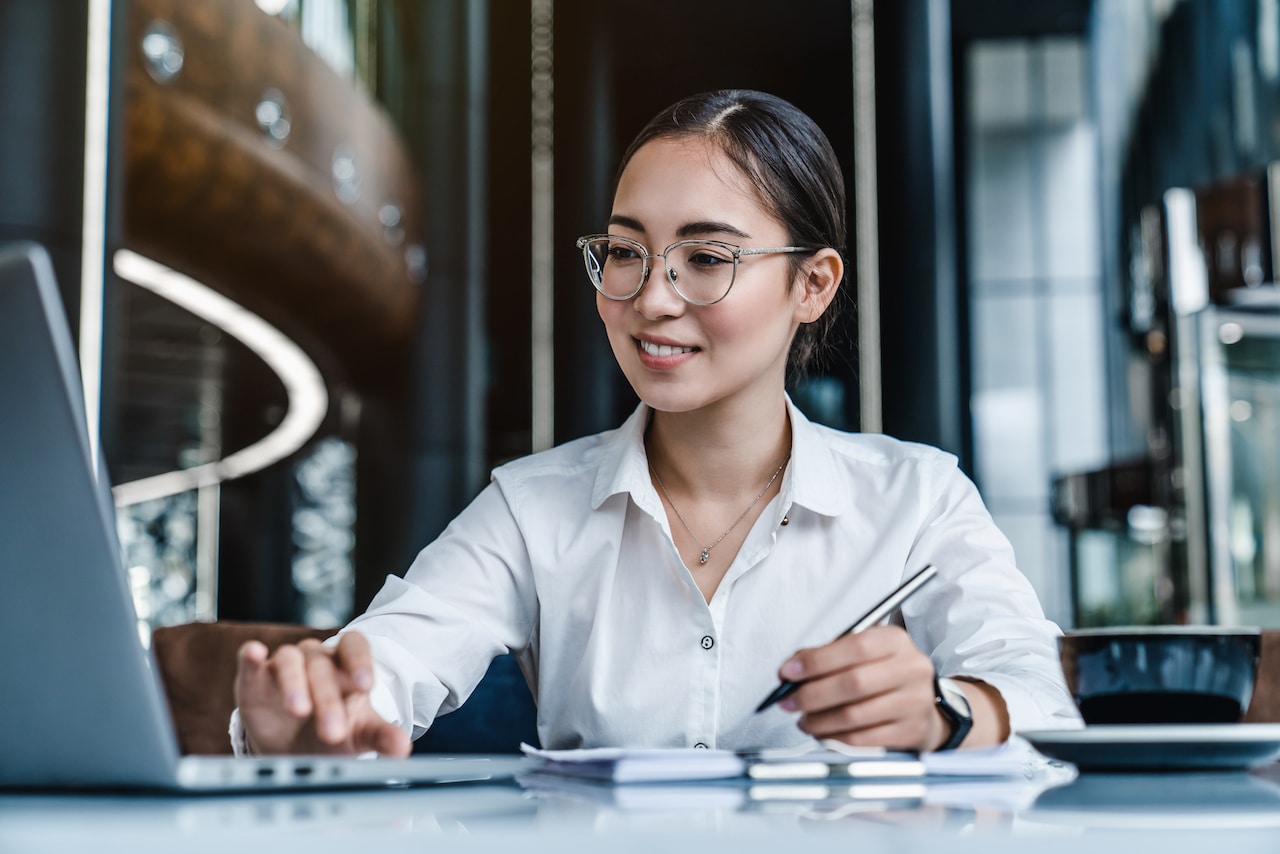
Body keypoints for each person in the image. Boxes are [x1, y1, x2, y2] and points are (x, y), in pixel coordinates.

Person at [232, 89, 1080, 757]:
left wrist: (949, 712)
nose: (652, 299)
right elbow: (399, 657)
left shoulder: (917, 498)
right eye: (627, 252)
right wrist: (321, 709)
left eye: (706, 259)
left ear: (813, 285)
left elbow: (1044, 696)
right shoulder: (536, 507)